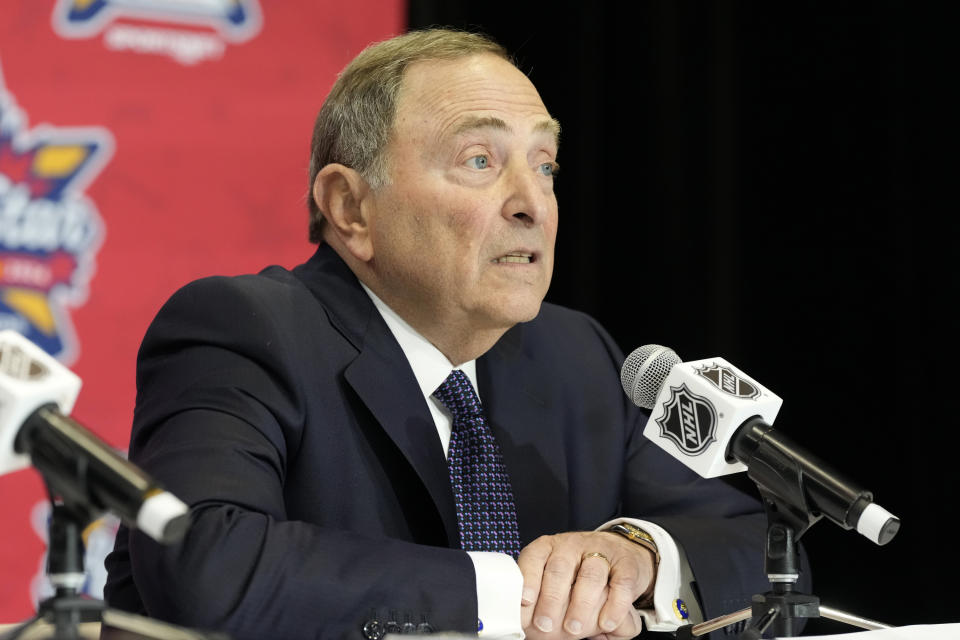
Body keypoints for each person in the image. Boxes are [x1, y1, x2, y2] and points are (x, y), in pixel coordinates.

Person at [103, 28, 799, 640]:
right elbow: (208, 564)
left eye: (546, 165)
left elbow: (751, 549)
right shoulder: (246, 329)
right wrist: (510, 594)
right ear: (351, 208)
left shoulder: (574, 355)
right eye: (480, 161)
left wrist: (638, 556)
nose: (533, 204)